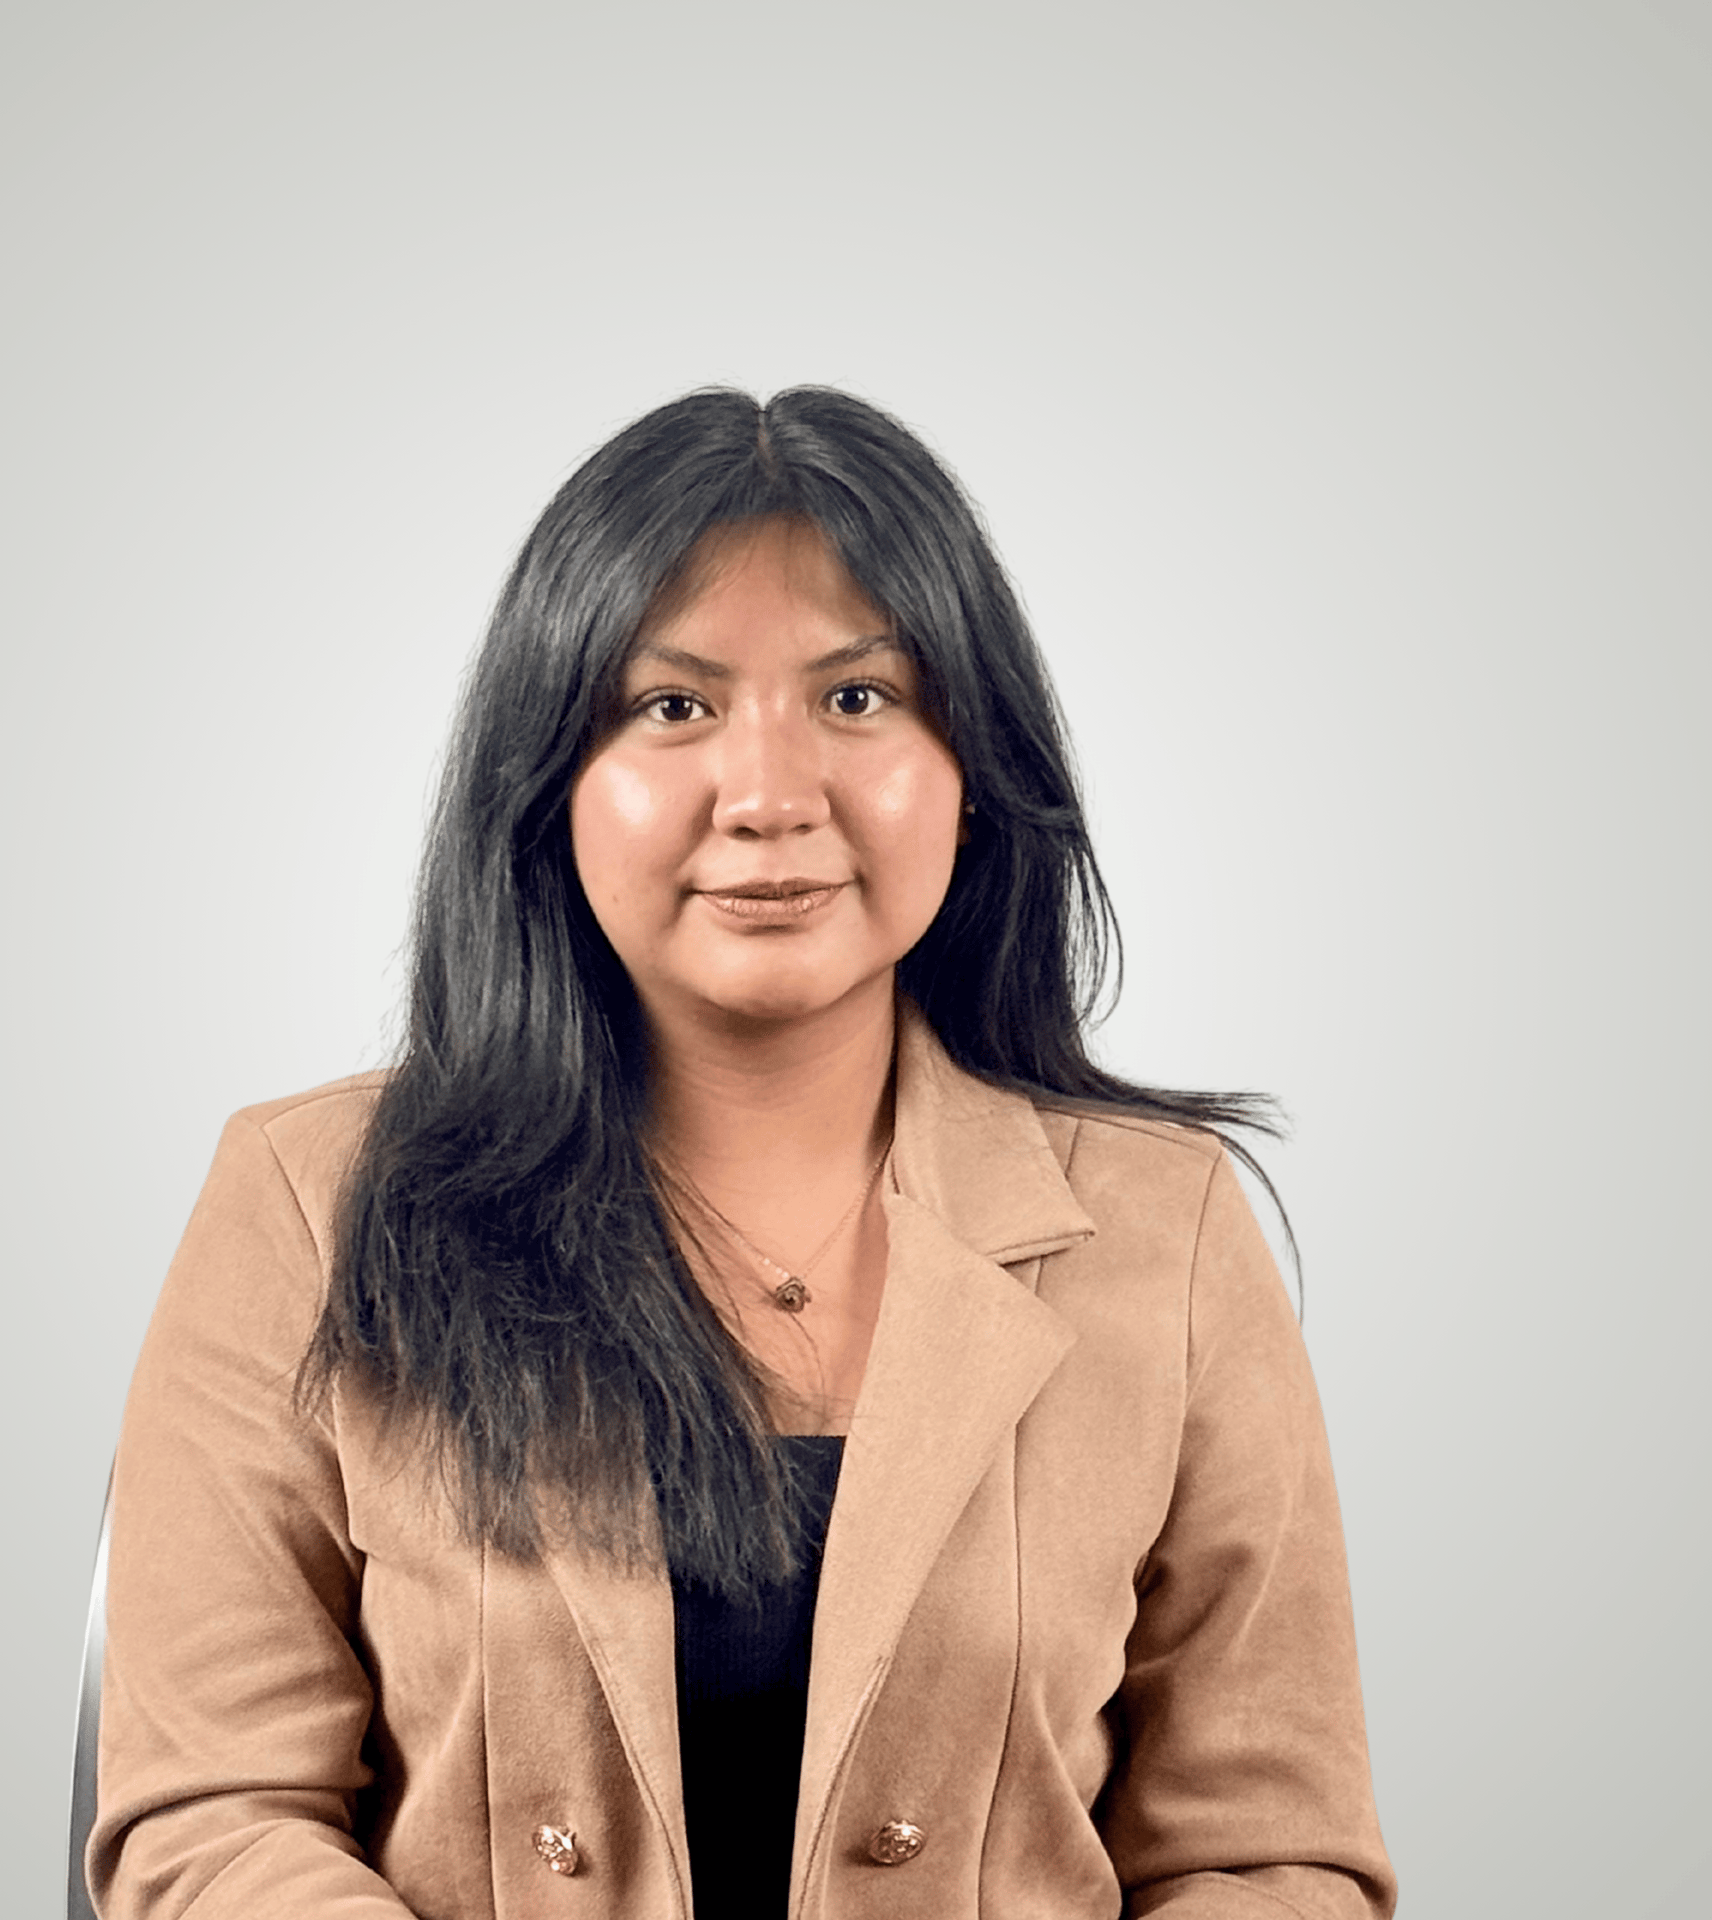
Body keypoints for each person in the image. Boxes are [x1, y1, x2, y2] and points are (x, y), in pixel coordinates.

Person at [88, 387, 1397, 1919]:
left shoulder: (1166, 1229)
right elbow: (213, 1819)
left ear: (972, 769)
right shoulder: (308, 1206)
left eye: (858, 697)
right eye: (673, 707)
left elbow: (1272, 1853)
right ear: (548, 781)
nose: (771, 798)